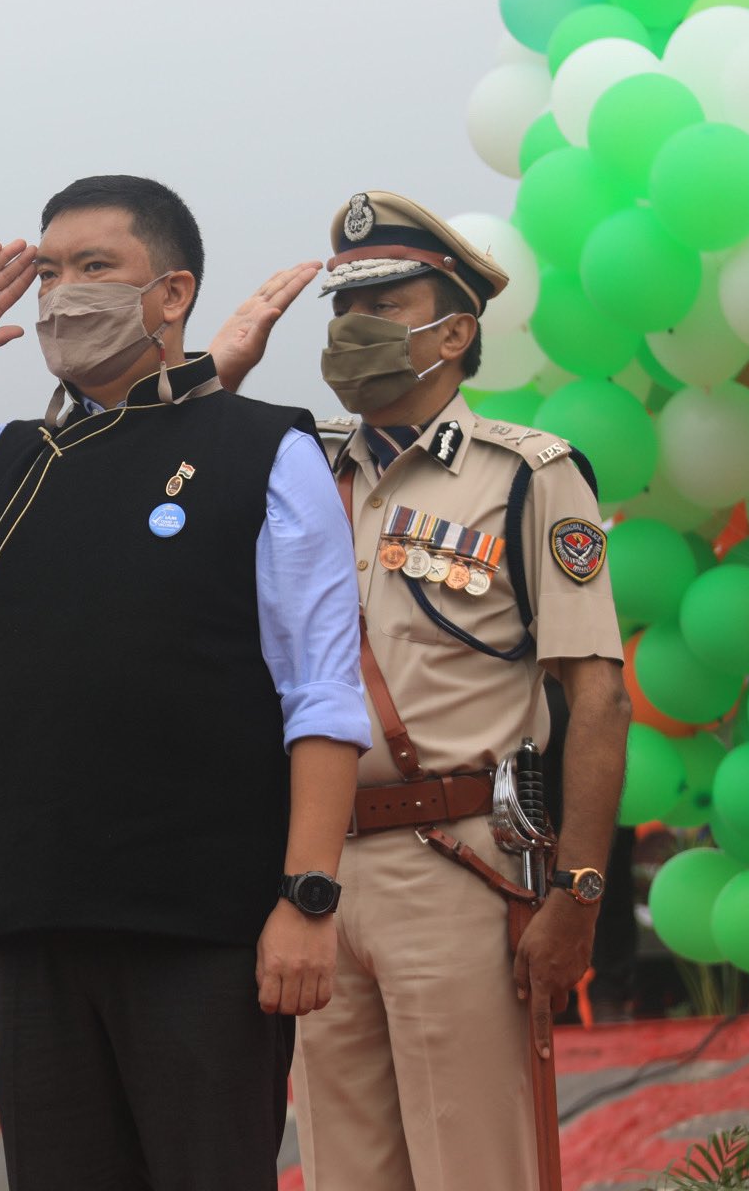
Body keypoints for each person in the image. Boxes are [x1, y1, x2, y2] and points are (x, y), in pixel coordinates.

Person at [0, 175, 369, 1190]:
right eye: (48, 271)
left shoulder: (263, 448)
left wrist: (306, 897)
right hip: (41, 914)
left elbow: (321, 688)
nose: (61, 293)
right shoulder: (2, 463)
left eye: (96, 267)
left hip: (206, 919)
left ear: (171, 293)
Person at [215, 191, 630, 1191]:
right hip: (316, 867)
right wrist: (224, 368)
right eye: (341, 309)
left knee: (473, 1163)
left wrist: (578, 892)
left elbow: (599, 696)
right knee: (345, 1166)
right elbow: (162, 461)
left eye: (381, 304)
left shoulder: (525, 474)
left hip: (458, 859)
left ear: (454, 330)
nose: (350, 330)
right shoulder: (297, 468)